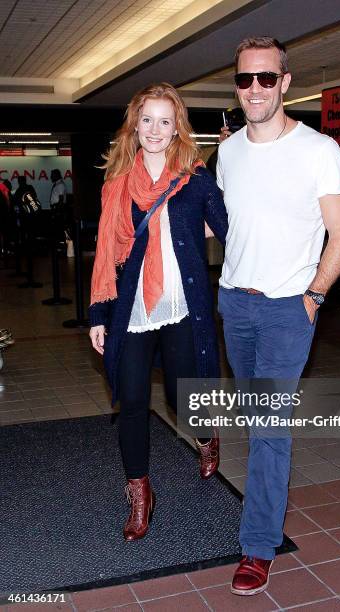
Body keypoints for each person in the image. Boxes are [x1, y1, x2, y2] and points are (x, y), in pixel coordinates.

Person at [216, 37, 340, 596]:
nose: (255, 90)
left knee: (269, 429)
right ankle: (263, 518)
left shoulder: (320, 151)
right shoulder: (227, 152)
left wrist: (315, 295)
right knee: (255, 422)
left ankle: (257, 545)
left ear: (285, 83)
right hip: (234, 302)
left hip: (287, 308)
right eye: (246, 80)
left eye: (266, 79)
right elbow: (225, 224)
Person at [89, 83, 228, 542]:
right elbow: (106, 252)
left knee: (182, 397)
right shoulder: (117, 184)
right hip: (132, 309)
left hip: (180, 304)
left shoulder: (194, 175)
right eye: (147, 119)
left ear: (176, 128)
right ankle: (141, 493)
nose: (154, 129)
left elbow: (227, 227)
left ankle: (206, 437)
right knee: (131, 401)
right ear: (135, 123)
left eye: (164, 121)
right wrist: (97, 314)